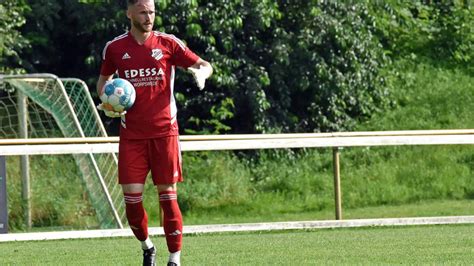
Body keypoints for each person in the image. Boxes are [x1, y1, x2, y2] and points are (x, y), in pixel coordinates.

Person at [96, 0, 212, 265]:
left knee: (168, 197)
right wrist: (107, 100)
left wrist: (201, 74)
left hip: (165, 132)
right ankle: (148, 247)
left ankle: (175, 259)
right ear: (129, 13)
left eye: (152, 12)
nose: (149, 17)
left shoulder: (168, 43)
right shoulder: (114, 48)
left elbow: (204, 64)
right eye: (143, 12)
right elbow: (104, 81)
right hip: (132, 135)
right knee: (132, 203)